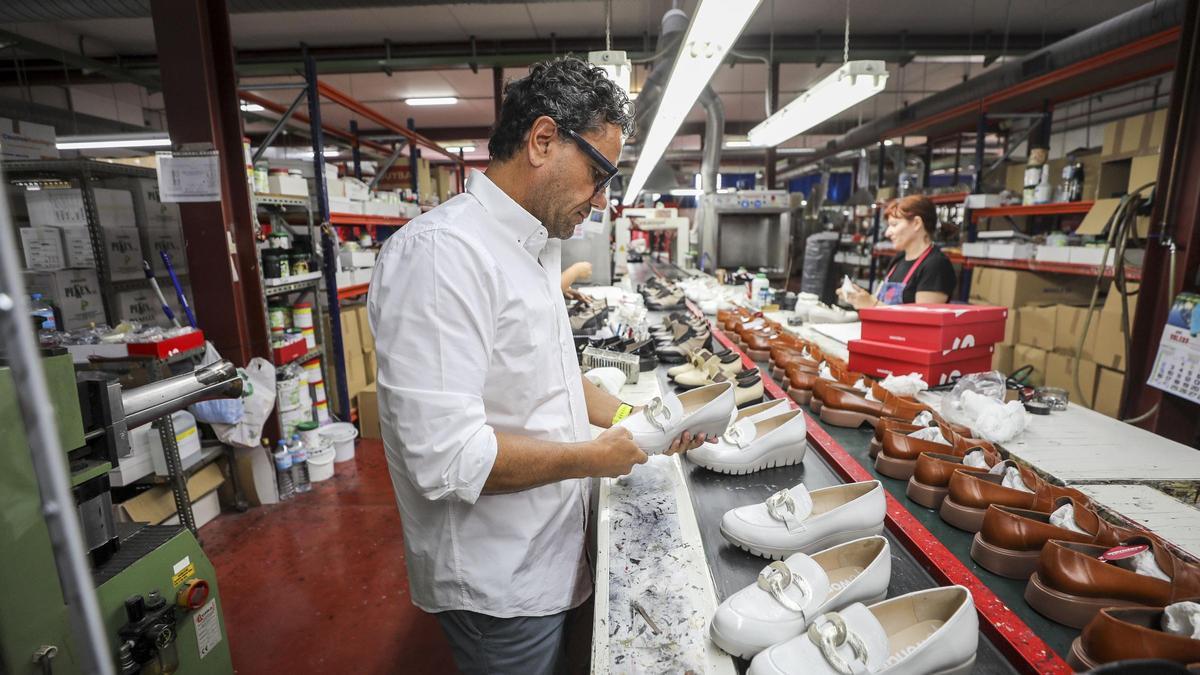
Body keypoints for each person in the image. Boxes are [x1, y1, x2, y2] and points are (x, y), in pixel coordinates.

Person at [367, 57, 708, 675]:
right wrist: (592, 456)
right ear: (543, 139)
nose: (601, 203)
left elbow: (549, 382)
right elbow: (444, 459)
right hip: (500, 586)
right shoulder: (443, 257)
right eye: (598, 176)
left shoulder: (533, 247)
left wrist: (640, 418)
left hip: (552, 551)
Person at [838, 194, 957, 308]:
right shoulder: (899, 259)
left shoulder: (935, 265)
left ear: (916, 223)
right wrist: (860, 298)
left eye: (894, 225)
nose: (887, 233)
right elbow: (879, 301)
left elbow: (923, 320)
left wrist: (872, 304)